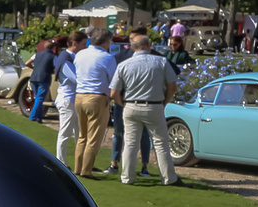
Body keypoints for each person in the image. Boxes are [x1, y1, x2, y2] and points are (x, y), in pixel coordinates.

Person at [110, 34, 181, 186]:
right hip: (154, 105)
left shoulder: (124, 64)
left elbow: (113, 92)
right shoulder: (161, 62)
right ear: (149, 46)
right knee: (161, 143)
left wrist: (123, 103)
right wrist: (164, 102)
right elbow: (172, 86)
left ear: (133, 48)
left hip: (131, 105)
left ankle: (127, 177)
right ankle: (168, 178)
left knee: (130, 143)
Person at [72, 30, 117, 177]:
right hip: (97, 97)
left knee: (82, 136)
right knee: (93, 137)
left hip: (79, 96)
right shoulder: (107, 57)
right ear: (105, 42)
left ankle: (78, 168)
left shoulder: (80, 54)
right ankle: (86, 170)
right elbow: (114, 80)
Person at [109, 26, 151, 174]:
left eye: (135, 39)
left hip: (145, 100)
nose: (132, 42)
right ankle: (114, 163)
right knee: (119, 132)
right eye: (131, 39)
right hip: (124, 99)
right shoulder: (121, 56)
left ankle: (145, 165)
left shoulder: (155, 57)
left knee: (144, 136)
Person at [54, 32, 86, 162]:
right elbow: (76, 79)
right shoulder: (66, 59)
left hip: (73, 100)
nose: (85, 47)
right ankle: (60, 162)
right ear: (74, 44)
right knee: (65, 133)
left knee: (80, 134)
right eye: (83, 44)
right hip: (67, 100)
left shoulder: (69, 58)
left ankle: (81, 163)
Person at [26, 37, 58, 122]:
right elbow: (57, 67)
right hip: (44, 78)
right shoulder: (53, 57)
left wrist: (34, 68)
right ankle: (32, 116)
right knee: (39, 99)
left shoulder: (37, 54)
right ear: (52, 48)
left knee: (37, 97)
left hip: (34, 77)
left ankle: (39, 118)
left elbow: (27, 63)